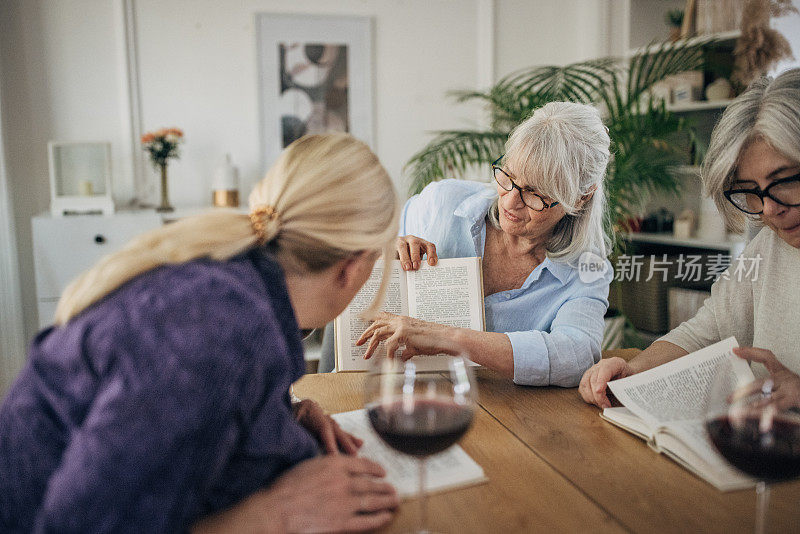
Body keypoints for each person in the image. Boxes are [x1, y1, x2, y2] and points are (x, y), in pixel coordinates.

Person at [0, 133, 401, 533]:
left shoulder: (233, 278)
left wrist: (280, 416)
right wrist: (277, 515)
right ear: (353, 267)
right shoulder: (222, 329)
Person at [580, 68, 800, 409]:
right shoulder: (770, 248)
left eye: (784, 180)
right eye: (751, 192)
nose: (768, 209)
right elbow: (704, 332)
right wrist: (632, 371)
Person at [355, 101, 613, 386]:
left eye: (535, 193)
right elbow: (354, 265)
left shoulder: (588, 270)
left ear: (581, 197)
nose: (510, 201)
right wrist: (379, 253)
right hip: (394, 389)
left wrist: (445, 337)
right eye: (509, 177)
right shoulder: (441, 204)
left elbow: (576, 355)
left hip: (501, 414)